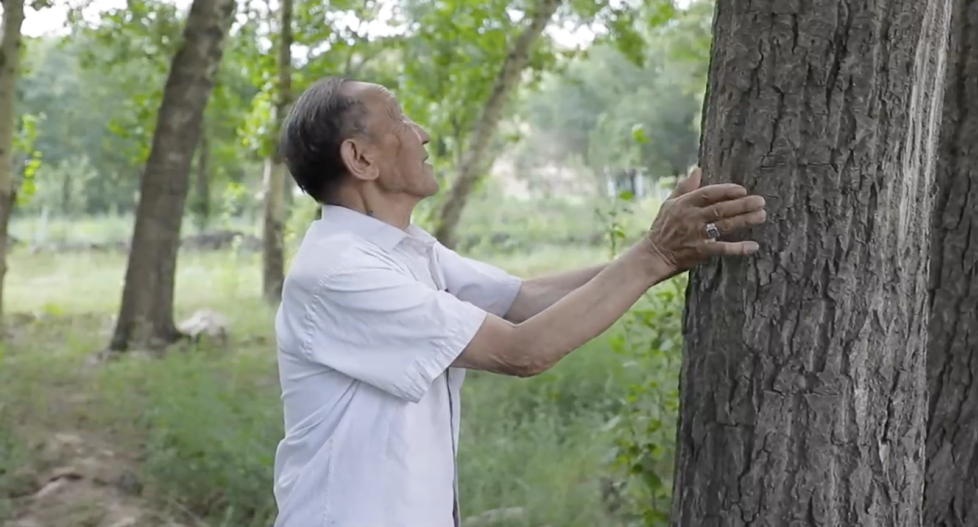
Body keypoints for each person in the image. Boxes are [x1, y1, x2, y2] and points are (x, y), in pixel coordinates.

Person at [271, 76, 767, 527]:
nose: (420, 133)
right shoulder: (340, 272)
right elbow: (520, 350)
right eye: (399, 119)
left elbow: (525, 300)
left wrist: (668, 253)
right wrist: (655, 252)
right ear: (361, 159)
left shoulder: (406, 249)